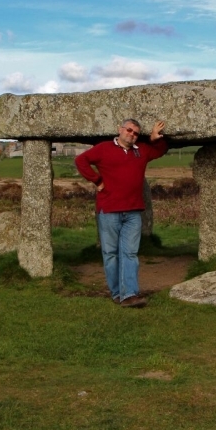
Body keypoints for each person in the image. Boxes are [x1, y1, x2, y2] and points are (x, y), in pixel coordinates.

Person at [75, 119, 167, 308]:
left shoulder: (141, 150)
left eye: (135, 133)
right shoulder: (103, 148)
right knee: (110, 254)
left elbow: (161, 151)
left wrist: (154, 139)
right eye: (129, 130)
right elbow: (81, 161)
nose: (132, 134)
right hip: (108, 210)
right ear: (120, 129)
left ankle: (129, 294)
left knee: (130, 253)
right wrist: (97, 180)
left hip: (133, 211)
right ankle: (117, 293)